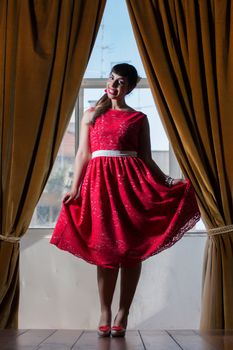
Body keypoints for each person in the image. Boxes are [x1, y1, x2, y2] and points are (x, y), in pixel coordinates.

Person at [50, 63, 201, 337]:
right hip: (98, 187)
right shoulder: (91, 115)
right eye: (111, 78)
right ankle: (105, 310)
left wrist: (169, 181)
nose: (113, 85)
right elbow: (83, 154)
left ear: (129, 88)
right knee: (105, 249)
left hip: (131, 187)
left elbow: (146, 158)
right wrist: (74, 188)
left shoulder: (138, 119)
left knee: (131, 250)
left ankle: (124, 312)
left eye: (120, 82)